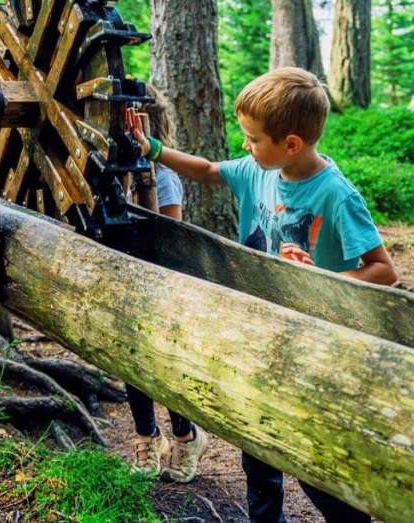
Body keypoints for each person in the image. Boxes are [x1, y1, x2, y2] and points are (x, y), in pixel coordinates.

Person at [126, 67, 397, 522]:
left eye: (253, 138)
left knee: (311, 459)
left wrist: (323, 283)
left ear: (291, 144)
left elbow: (384, 270)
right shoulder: (258, 170)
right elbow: (210, 171)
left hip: (314, 342)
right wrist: (155, 149)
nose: (246, 147)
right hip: (262, 329)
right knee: (256, 448)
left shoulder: (334, 194)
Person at [125, 84, 210, 483]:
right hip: (127, 278)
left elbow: (171, 232)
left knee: (164, 365)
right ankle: (146, 437)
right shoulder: (114, 170)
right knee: (130, 361)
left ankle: (185, 436)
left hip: (162, 283)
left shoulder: (165, 176)